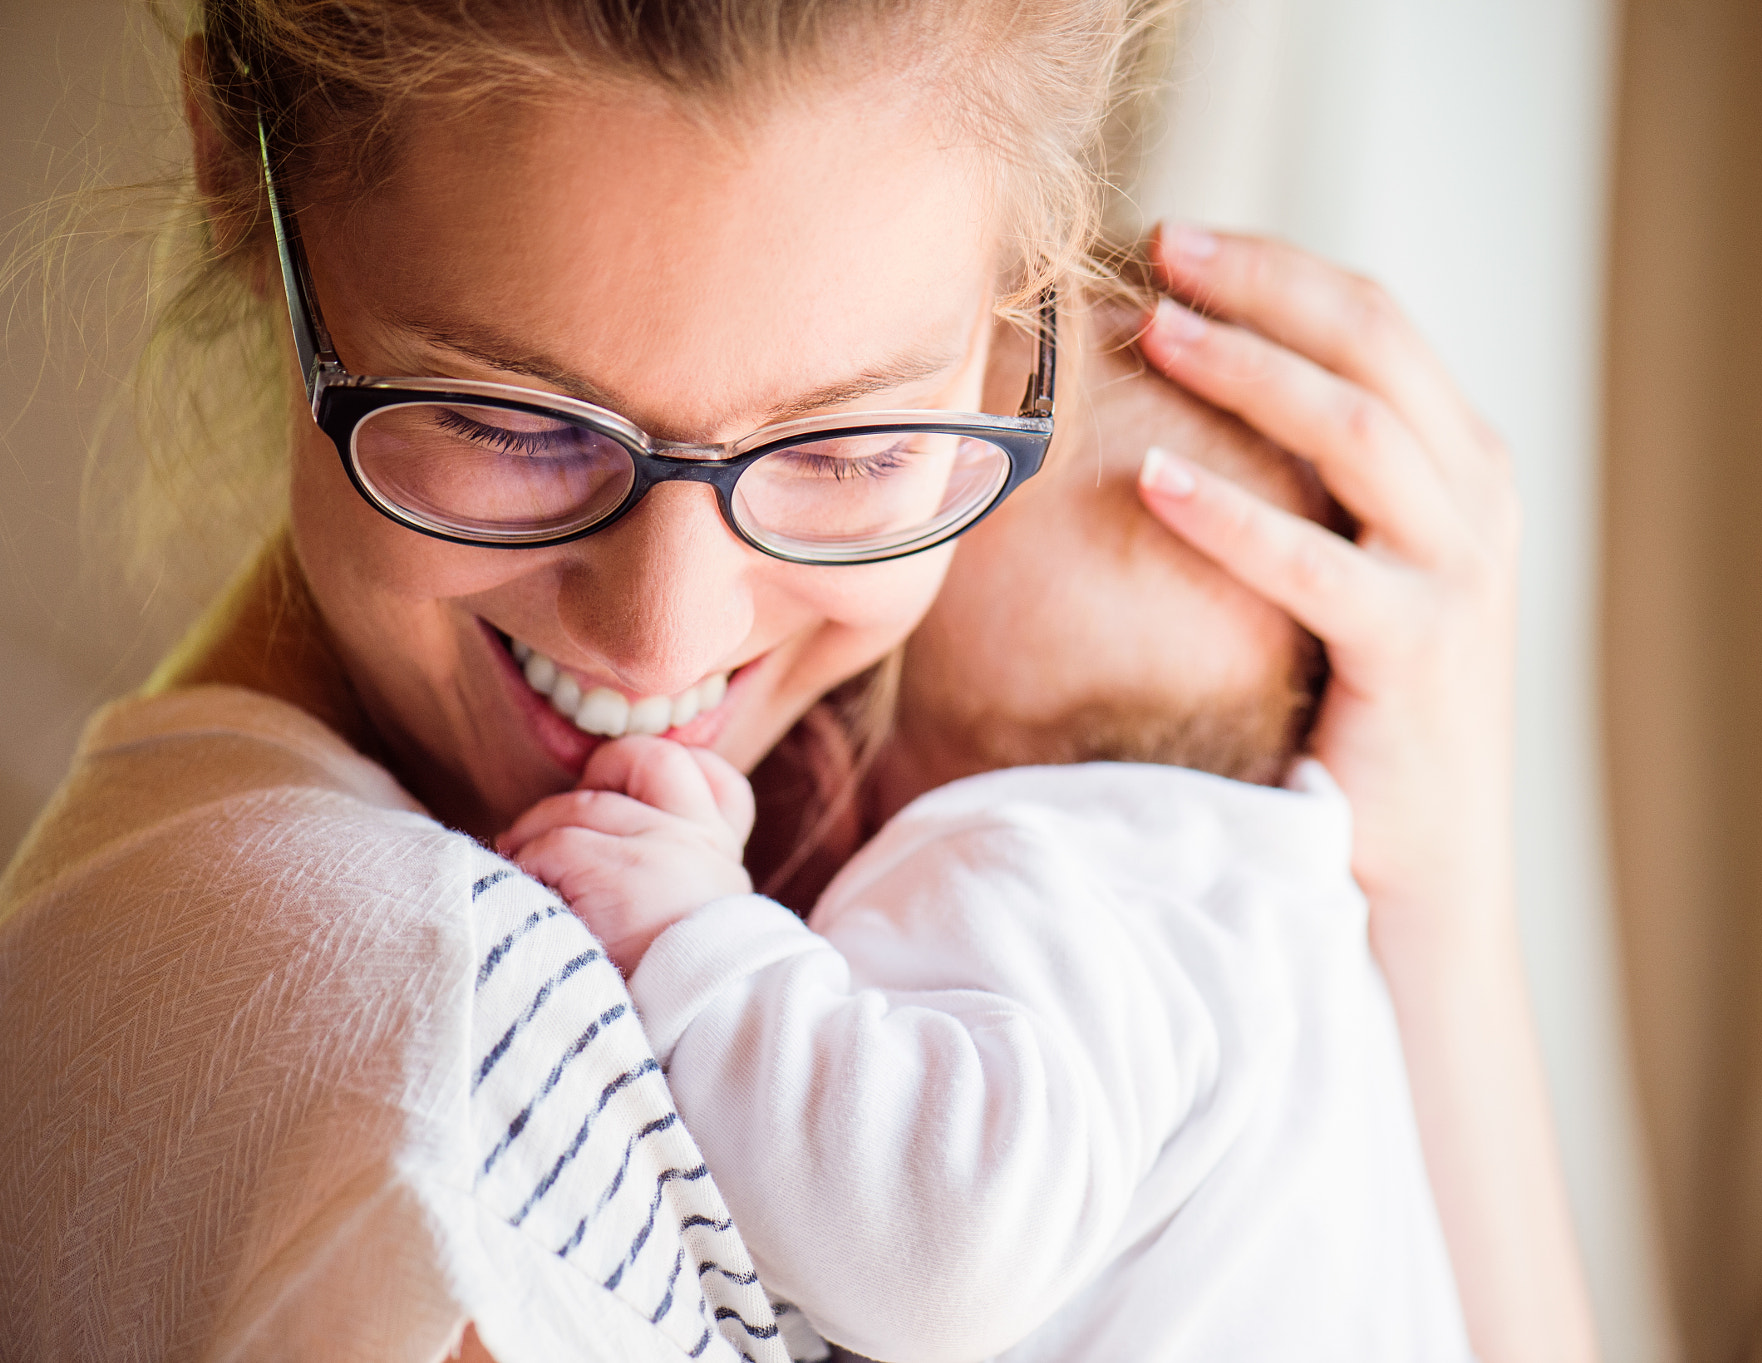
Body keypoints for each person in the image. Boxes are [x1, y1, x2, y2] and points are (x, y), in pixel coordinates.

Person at [0, 1, 1596, 1360]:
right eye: (510, 421)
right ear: (240, 167)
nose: (663, 641)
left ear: (1019, 313)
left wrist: (1434, 881)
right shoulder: (425, 1047)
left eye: (850, 447)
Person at [498, 323, 1473, 1361]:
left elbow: (935, 1257)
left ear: (863, 759)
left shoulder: (1034, 863)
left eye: (866, 465)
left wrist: (695, 944)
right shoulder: (1284, 915)